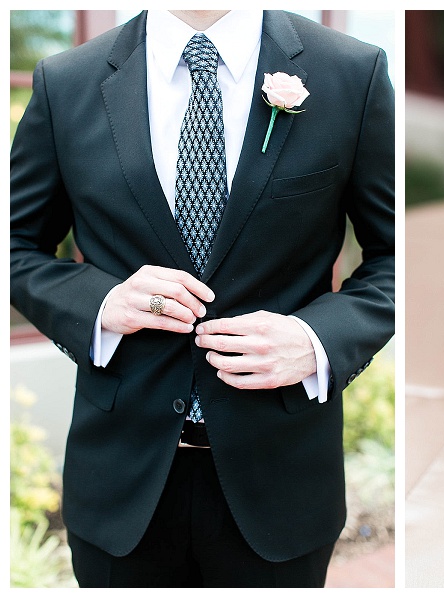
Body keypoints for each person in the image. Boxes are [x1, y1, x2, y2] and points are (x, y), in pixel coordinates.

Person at [10, 10, 394, 588]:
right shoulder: (66, 80)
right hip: (120, 487)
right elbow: (15, 245)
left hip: (281, 485)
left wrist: (316, 340)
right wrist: (98, 302)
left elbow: (396, 254)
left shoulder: (351, 72)